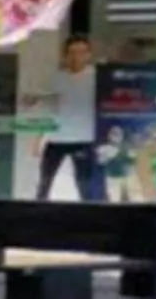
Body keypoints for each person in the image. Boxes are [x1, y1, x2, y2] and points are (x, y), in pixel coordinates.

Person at [37, 35, 105, 201]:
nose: (77, 57)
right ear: (65, 55)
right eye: (72, 52)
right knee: (45, 182)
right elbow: (50, 108)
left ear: (89, 54)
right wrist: (39, 137)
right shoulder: (57, 78)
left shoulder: (97, 77)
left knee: (84, 183)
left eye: (82, 52)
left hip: (84, 138)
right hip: (56, 138)